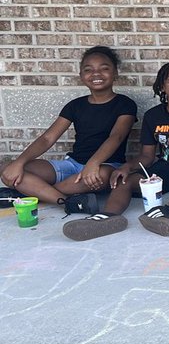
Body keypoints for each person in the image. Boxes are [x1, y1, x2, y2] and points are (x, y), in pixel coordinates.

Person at [65, 60, 169, 240]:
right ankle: (107, 218)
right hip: (165, 167)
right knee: (125, 181)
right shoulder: (153, 116)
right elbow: (147, 156)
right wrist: (126, 168)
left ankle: (168, 212)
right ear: (162, 86)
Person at [1, 46, 137, 218]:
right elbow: (47, 138)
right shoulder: (75, 105)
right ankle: (68, 202)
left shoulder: (125, 104)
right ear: (81, 76)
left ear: (115, 73)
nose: (96, 74)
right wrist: (19, 163)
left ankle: (35, 193)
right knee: (7, 168)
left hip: (105, 165)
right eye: (89, 70)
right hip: (72, 165)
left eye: (104, 68)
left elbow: (116, 137)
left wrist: (93, 163)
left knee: (102, 175)